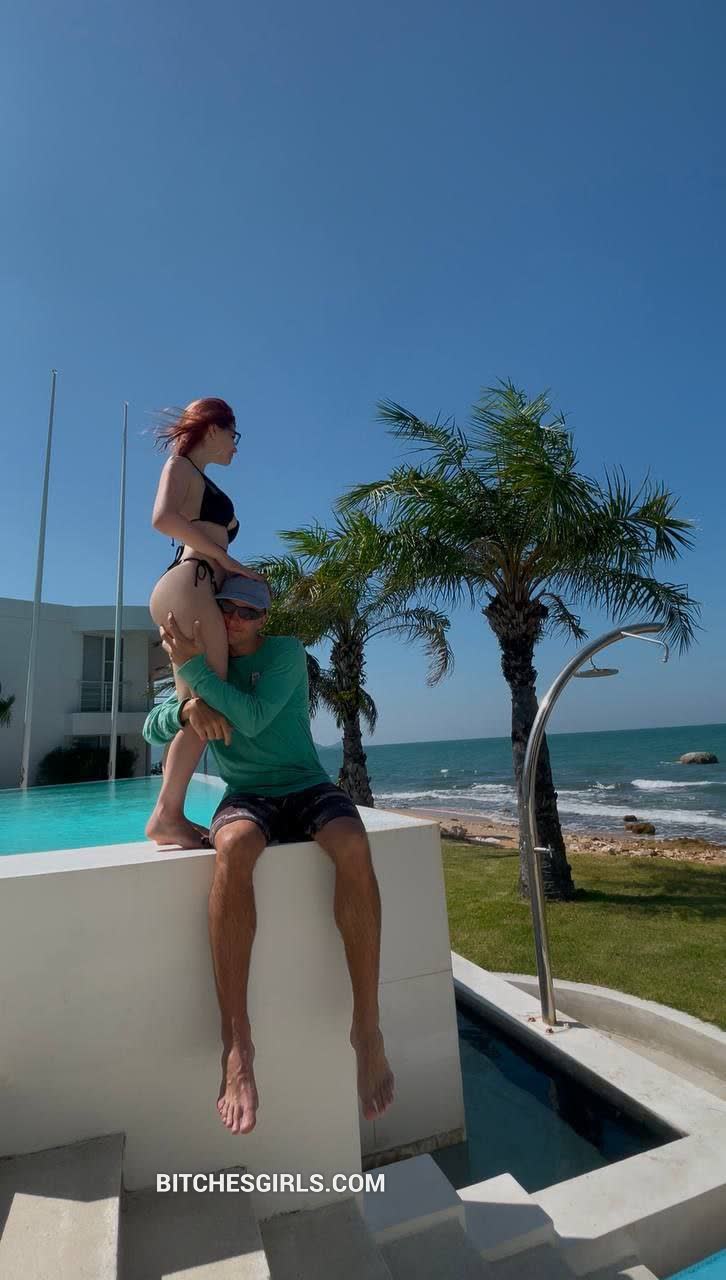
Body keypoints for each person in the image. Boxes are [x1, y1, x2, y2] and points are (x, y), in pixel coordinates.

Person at [142, 574, 395, 1135]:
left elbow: (253, 716)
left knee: (353, 844)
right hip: (248, 795)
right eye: (226, 609)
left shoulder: (284, 654)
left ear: (264, 619)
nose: (236, 620)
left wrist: (195, 675)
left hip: (306, 783)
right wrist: (187, 709)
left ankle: (367, 1028)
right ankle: (236, 1044)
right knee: (231, 846)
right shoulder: (206, 662)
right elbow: (152, 726)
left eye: (248, 612)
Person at [146, 397, 265, 850]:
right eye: (234, 435)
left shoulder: (198, 477)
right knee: (206, 699)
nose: (236, 445)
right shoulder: (180, 465)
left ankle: (168, 814)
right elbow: (162, 519)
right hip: (191, 581)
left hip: (193, 586)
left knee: (196, 705)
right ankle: (166, 814)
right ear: (214, 428)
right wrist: (226, 559)